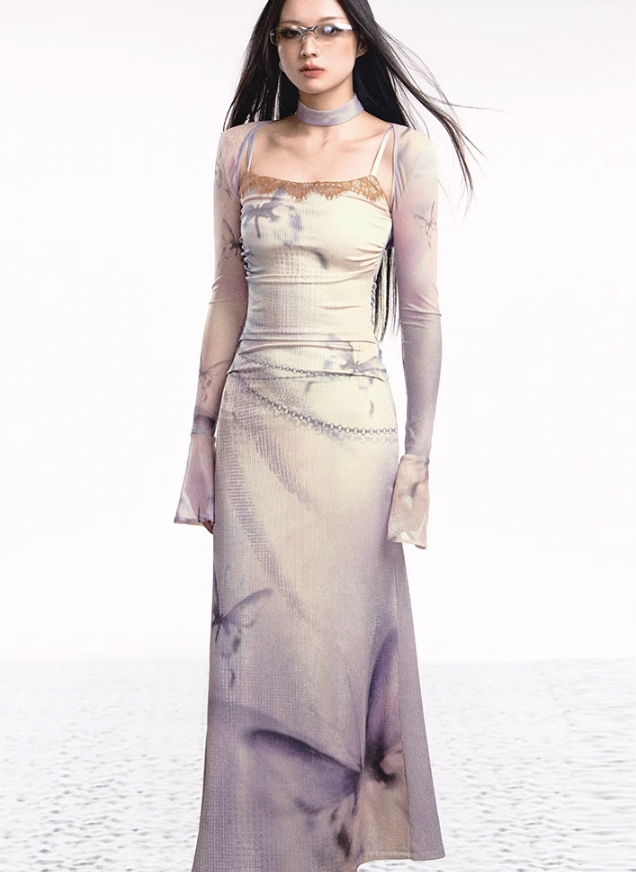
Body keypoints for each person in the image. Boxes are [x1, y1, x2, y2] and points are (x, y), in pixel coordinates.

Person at [174, 0, 474, 869]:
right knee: (255, 651)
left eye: (328, 29)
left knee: (340, 646)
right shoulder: (238, 149)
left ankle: (336, 849)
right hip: (254, 428)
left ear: (359, 40)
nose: (310, 47)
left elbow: (421, 312)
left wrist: (419, 455)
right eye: (293, 31)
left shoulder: (401, 152)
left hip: (354, 434)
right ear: (274, 44)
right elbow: (226, 295)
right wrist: (199, 437)